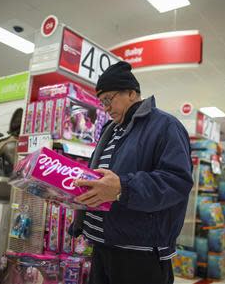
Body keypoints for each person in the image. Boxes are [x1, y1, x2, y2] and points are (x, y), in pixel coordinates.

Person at [71, 61, 193, 284]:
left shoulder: (166, 126)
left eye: (109, 99)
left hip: (139, 254)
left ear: (131, 92)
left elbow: (177, 182)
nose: (106, 107)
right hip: (101, 246)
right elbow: (100, 180)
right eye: (102, 102)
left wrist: (122, 188)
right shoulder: (110, 131)